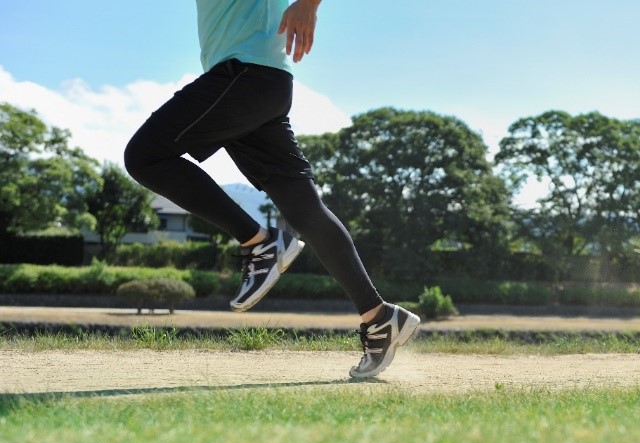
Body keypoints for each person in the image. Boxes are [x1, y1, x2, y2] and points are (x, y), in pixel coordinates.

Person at [124, 0, 419, 379]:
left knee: (146, 155)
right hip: (257, 83)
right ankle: (380, 318)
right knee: (305, 211)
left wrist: (309, 4)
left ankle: (257, 241)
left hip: (244, 75)